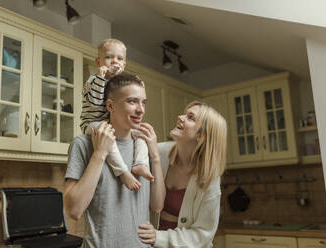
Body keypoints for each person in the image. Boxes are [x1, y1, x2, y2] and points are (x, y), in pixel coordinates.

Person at [64, 74, 165, 248]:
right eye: (132, 101)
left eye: (143, 102)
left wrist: (155, 157)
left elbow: (157, 207)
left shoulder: (143, 147)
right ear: (110, 105)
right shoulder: (83, 144)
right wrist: (100, 154)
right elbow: (74, 210)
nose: (141, 110)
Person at [138, 101, 227, 248]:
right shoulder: (157, 152)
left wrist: (158, 237)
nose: (180, 117)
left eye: (190, 117)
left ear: (201, 135)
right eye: (185, 114)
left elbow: (202, 234)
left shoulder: (210, 178)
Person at [80, 38, 153, 191]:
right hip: (93, 123)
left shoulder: (118, 84)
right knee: (107, 135)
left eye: (119, 58)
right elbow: (94, 102)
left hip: (109, 123)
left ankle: (141, 163)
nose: (114, 61)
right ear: (98, 62)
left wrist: (137, 85)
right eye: (108, 57)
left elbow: (126, 92)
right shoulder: (93, 80)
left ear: (124, 65)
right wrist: (102, 78)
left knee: (141, 132)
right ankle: (122, 171)